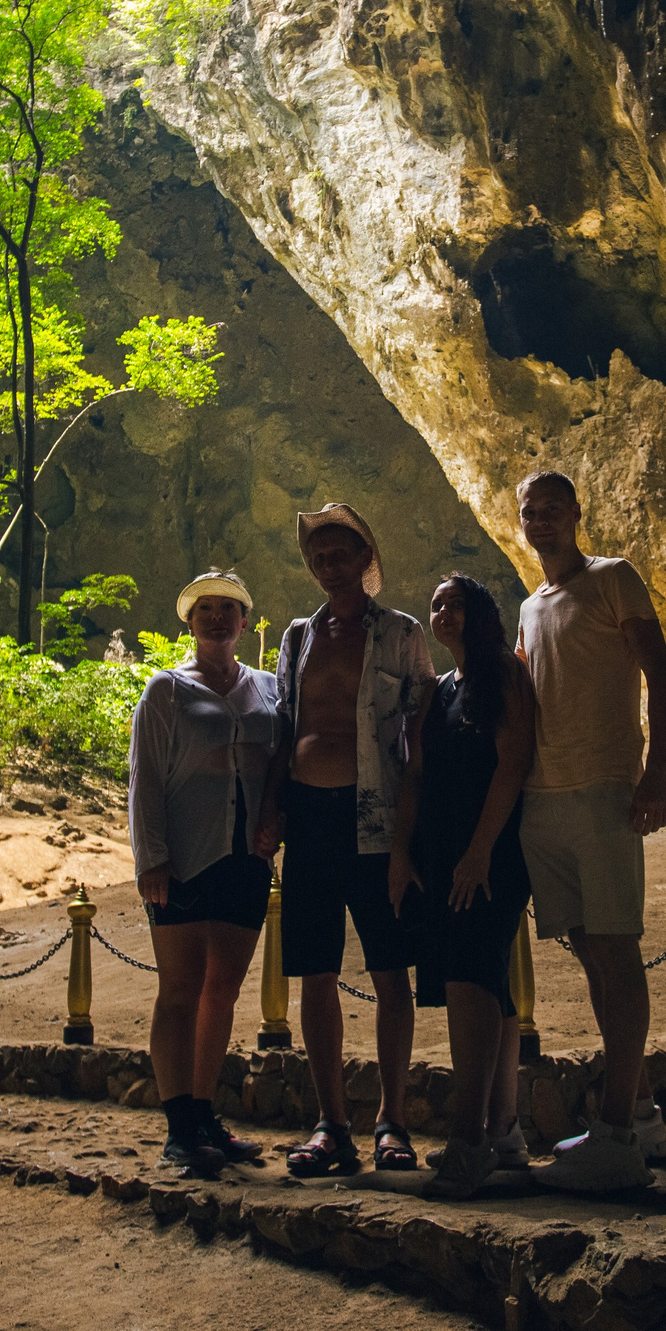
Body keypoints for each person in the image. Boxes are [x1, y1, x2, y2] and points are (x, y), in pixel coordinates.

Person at [514, 470, 666, 1191]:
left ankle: (614, 1132)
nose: (541, 520)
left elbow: (662, 675)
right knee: (590, 950)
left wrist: (658, 772)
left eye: (553, 509)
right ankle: (639, 1113)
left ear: (577, 514)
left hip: (606, 787)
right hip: (543, 799)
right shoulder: (528, 608)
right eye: (531, 511)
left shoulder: (614, 578)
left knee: (615, 947)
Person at [265, 503, 435, 1177]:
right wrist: (271, 811)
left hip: (376, 818)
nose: (331, 565)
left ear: (366, 557)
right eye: (319, 556)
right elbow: (286, 726)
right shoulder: (298, 635)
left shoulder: (401, 634)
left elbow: (418, 747)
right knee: (316, 969)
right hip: (309, 817)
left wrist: (404, 842)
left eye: (343, 553)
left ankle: (392, 1121)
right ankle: (331, 1123)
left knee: (392, 970)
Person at [129, 569, 284, 1175]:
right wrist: (152, 859)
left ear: (245, 622)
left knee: (222, 990)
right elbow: (144, 780)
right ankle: (179, 1128)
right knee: (180, 990)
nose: (218, 618)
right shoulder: (166, 690)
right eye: (205, 609)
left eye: (229, 608)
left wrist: (276, 823)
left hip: (246, 857)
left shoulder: (268, 689)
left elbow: (279, 766)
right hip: (185, 857)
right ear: (189, 622)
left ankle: (203, 1112)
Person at [388, 574, 534, 1199]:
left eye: (455, 602)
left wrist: (480, 852)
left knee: (470, 984)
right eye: (436, 604)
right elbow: (416, 775)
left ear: (480, 613)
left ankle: (468, 1140)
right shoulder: (437, 690)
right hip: (441, 855)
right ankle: (502, 1132)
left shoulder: (503, 674)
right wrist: (403, 851)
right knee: (486, 989)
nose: (442, 611)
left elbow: (514, 762)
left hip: (490, 854)